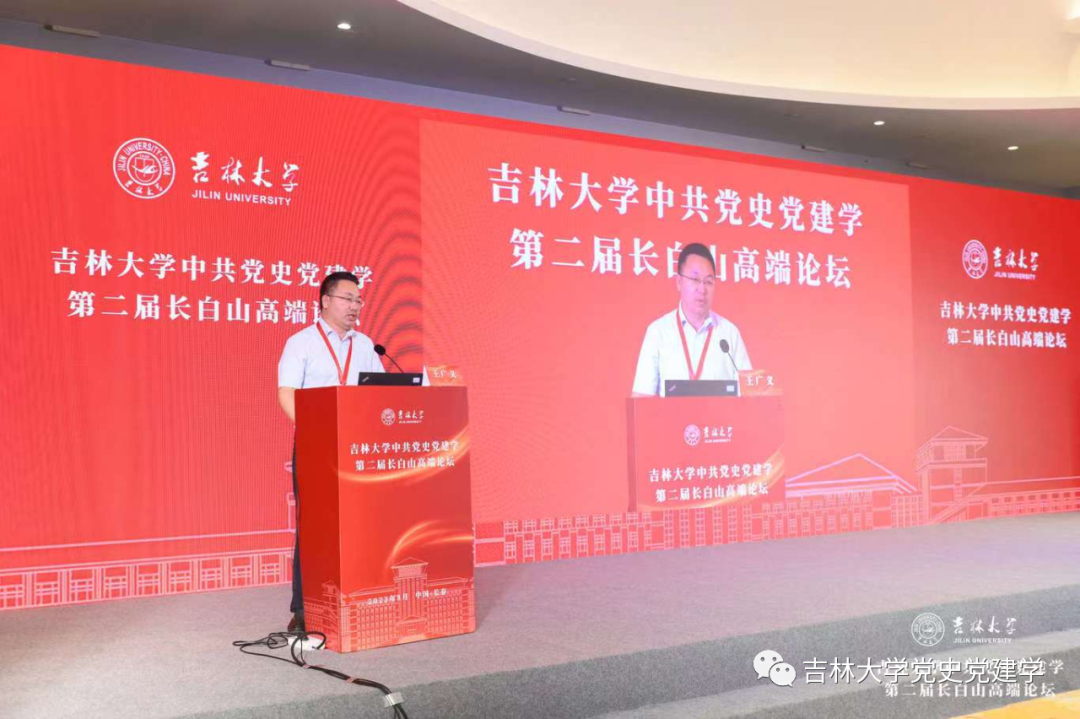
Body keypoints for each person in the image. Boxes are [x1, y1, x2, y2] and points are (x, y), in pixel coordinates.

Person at [276, 271, 383, 631]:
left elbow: (382, 392)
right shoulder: (301, 343)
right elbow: (286, 393)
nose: (355, 306)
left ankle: (359, 599)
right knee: (313, 528)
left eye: (358, 300)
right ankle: (303, 610)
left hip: (359, 447)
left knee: (361, 523)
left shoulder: (365, 345)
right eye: (347, 299)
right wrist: (314, 432)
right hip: (317, 445)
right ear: (325, 301)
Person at [632, 243, 752, 396]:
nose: (702, 289)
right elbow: (641, 397)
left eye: (708, 282)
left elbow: (749, 395)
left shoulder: (730, 333)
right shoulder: (658, 332)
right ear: (679, 282)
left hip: (722, 414)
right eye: (695, 279)